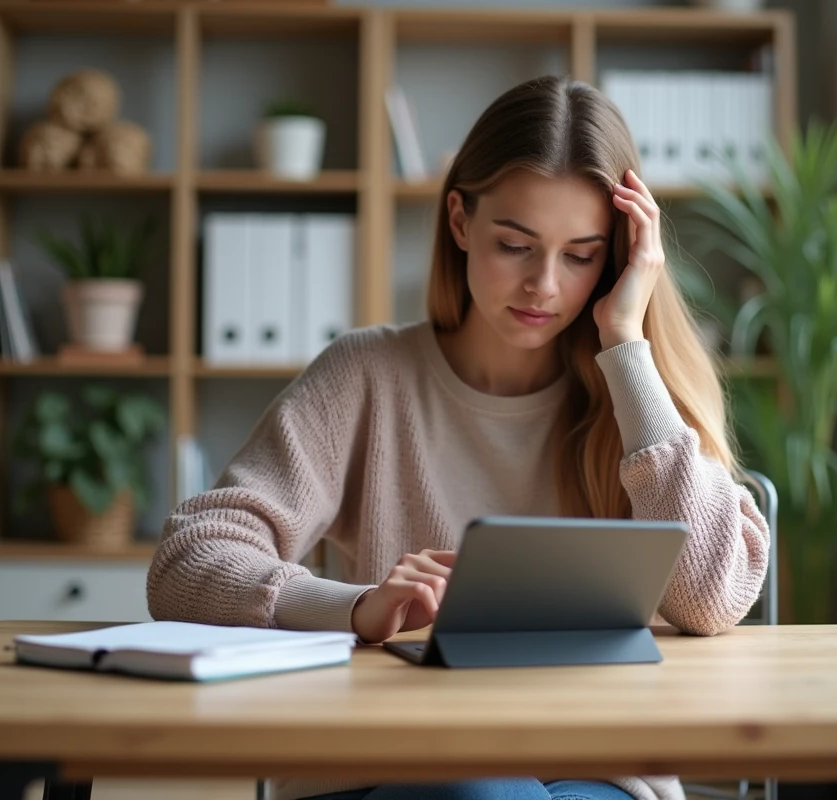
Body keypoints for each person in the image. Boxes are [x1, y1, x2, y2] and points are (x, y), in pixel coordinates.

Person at [148, 75, 770, 800]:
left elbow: (712, 597)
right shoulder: (368, 376)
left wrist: (626, 344)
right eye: (516, 244)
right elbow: (187, 560)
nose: (544, 284)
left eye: (581, 255)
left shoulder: (636, 397)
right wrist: (354, 606)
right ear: (460, 221)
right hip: (393, 764)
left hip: (593, 768)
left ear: (623, 256)